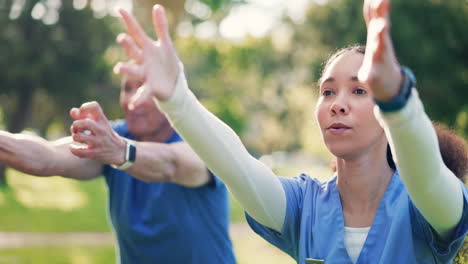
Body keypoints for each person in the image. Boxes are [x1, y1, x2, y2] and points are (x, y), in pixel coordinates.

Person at [113, 0, 467, 263]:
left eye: (359, 90)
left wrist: (396, 99)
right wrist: (177, 98)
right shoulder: (304, 205)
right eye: (327, 91)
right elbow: (238, 166)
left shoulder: (429, 205)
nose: (337, 103)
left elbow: (427, 174)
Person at [0, 75, 236, 263]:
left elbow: (171, 164)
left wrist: (122, 151)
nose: (132, 100)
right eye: (127, 88)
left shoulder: (200, 140)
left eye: (143, 88)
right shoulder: (113, 138)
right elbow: (48, 158)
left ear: (169, 97)